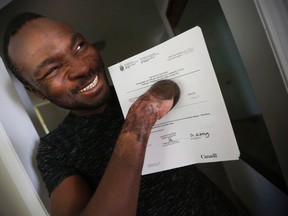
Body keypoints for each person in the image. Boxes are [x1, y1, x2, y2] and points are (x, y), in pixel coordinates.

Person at [2, 12, 239, 216]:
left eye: (79, 46)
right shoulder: (55, 149)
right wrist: (141, 115)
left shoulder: (140, 88)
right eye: (53, 69)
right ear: (36, 92)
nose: (82, 67)